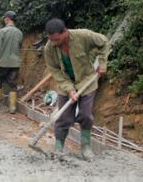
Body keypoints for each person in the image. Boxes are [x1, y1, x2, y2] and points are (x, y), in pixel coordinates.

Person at [43, 18, 110, 160]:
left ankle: (85, 146)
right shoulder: (49, 48)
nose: (54, 43)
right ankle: (59, 147)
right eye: (51, 40)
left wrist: (103, 64)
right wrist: (69, 89)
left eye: (57, 40)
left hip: (86, 81)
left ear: (64, 32)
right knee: (63, 117)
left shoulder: (83, 36)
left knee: (86, 115)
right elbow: (55, 71)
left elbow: (104, 42)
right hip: (65, 83)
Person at [0, 11, 23, 114]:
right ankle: (12, 107)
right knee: (13, 85)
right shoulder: (19, 32)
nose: (4, 20)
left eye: (4, 18)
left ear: (7, 19)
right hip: (15, 63)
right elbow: (19, 47)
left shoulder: (2, 31)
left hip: (3, 62)